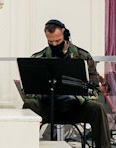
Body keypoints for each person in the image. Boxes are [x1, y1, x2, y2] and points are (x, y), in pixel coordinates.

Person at [21, 19, 111, 148]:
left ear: (65, 35)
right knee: (30, 104)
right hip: (48, 108)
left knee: (97, 109)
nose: (54, 44)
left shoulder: (82, 57)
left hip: (74, 108)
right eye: (50, 41)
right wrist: (44, 95)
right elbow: (27, 92)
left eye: (57, 41)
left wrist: (76, 98)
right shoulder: (38, 58)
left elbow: (95, 90)